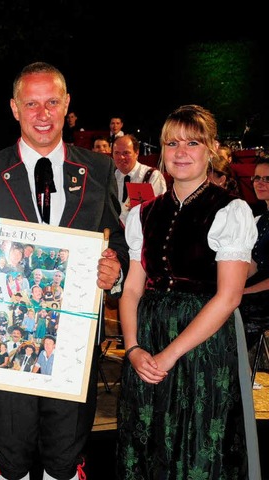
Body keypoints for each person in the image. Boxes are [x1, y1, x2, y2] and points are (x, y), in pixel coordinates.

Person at [0, 61, 127, 480]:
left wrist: (115, 268)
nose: (43, 114)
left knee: (65, 456)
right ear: (14, 108)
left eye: (52, 102)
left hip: (75, 339)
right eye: (31, 104)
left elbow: (117, 239)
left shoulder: (100, 169)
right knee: (11, 458)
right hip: (7, 336)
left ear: (67, 104)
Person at [115, 104, 260, 479]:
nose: (181, 152)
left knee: (196, 447)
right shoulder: (143, 214)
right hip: (146, 340)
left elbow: (229, 297)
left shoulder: (231, 211)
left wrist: (170, 355)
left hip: (201, 346)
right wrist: (133, 349)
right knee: (148, 445)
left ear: (210, 149)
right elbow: (132, 288)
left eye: (192, 143)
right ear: (161, 151)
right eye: (172, 143)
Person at [239, 156, 269, 381]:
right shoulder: (260, 219)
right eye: (257, 178)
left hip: (263, 297)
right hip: (256, 291)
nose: (260, 183)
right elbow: (252, 264)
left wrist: (243, 292)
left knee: (234, 312)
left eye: (267, 179)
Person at [112, 134, 167, 226]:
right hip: (113, 233)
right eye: (117, 153)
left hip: (140, 234)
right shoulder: (110, 176)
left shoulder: (152, 176)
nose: (121, 157)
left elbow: (159, 212)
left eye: (126, 153)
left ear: (136, 153)